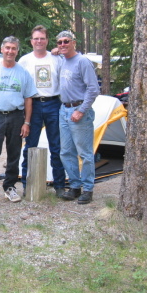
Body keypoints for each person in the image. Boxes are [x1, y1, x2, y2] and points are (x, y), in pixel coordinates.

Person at [0, 36, 38, 206]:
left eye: (14, 48)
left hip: (16, 116)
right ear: (2, 49)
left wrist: (26, 122)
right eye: (8, 48)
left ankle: (9, 187)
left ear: (17, 51)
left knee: (14, 155)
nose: (10, 51)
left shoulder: (23, 73)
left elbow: (28, 99)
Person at [18, 25, 65, 198]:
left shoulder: (56, 59)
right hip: (33, 105)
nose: (39, 41)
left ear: (47, 40)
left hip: (54, 103)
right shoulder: (24, 60)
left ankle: (59, 185)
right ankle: (27, 185)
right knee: (30, 146)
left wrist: (59, 50)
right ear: (31, 41)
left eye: (42, 38)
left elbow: (72, 61)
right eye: (36, 38)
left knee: (56, 147)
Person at [56, 31, 100, 204]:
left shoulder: (83, 62)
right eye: (59, 42)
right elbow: (57, 52)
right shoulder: (62, 60)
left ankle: (88, 189)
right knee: (66, 152)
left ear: (74, 42)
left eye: (66, 41)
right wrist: (56, 51)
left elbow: (93, 89)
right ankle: (75, 186)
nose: (62, 44)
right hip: (64, 110)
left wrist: (81, 110)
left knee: (85, 153)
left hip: (79, 111)